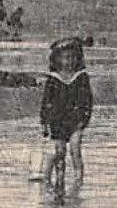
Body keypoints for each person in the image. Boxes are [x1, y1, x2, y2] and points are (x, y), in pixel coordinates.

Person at [39, 37, 93, 191]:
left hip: (76, 121)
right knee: (59, 152)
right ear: (57, 59)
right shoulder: (53, 79)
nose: (69, 61)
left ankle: (78, 181)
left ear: (78, 58)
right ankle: (53, 178)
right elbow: (46, 102)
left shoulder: (81, 77)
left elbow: (88, 101)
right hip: (57, 121)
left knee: (75, 148)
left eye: (72, 57)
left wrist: (84, 119)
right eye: (65, 57)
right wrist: (44, 122)